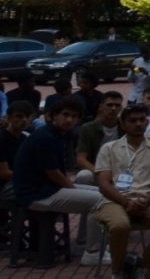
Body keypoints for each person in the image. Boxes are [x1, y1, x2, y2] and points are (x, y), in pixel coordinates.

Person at [13, 98, 108, 265]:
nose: (69, 120)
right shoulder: (45, 137)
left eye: (74, 116)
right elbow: (53, 173)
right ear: (52, 116)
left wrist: (75, 188)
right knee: (99, 201)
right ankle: (92, 252)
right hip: (37, 194)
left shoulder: (58, 135)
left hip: (48, 188)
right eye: (65, 115)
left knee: (103, 194)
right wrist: (73, 188)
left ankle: (82, 242)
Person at [94, 104, 150, 279]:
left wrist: (145, 201)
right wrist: (126, 202)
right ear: (122, 124)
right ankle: (117, 273)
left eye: (142, 120)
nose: (138, 124)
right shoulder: (109, 148)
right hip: (114, 199)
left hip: (146, 198)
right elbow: (104, 184)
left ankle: (141, 267)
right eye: (133, 121)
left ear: (147, 122)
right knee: (120, 225)